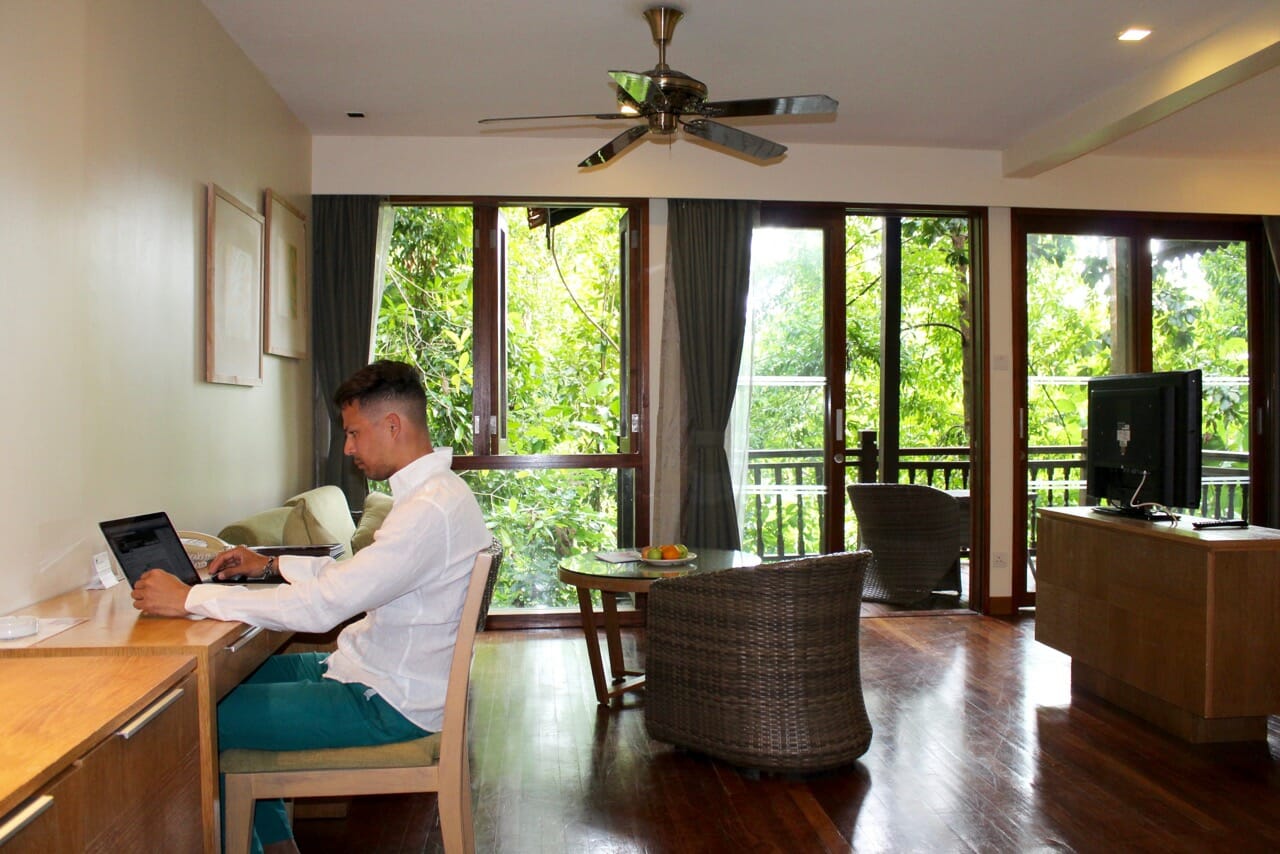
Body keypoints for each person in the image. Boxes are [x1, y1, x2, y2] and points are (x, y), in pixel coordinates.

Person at [132, 359, 491, 854]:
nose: (347, 448)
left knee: (190, 725)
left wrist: (190, 596)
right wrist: (270, 566)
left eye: (353, 433)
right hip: (377, 676)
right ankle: (278, 844)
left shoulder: (426, 511)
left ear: (392, 426)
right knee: (229, 681)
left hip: (385, 703)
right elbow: (355, 581)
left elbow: (325, 608)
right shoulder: (436, 496)